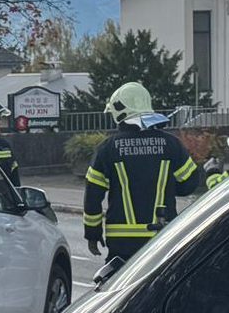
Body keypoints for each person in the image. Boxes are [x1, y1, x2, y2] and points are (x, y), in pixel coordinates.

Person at [82, 82, 200, 264]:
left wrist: (92, 233)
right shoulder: (171, 144)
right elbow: (189, 184)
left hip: (122, 243)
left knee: (121, 289)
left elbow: (93, 196)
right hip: (163, 236)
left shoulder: (108, 148)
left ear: (120, 111)